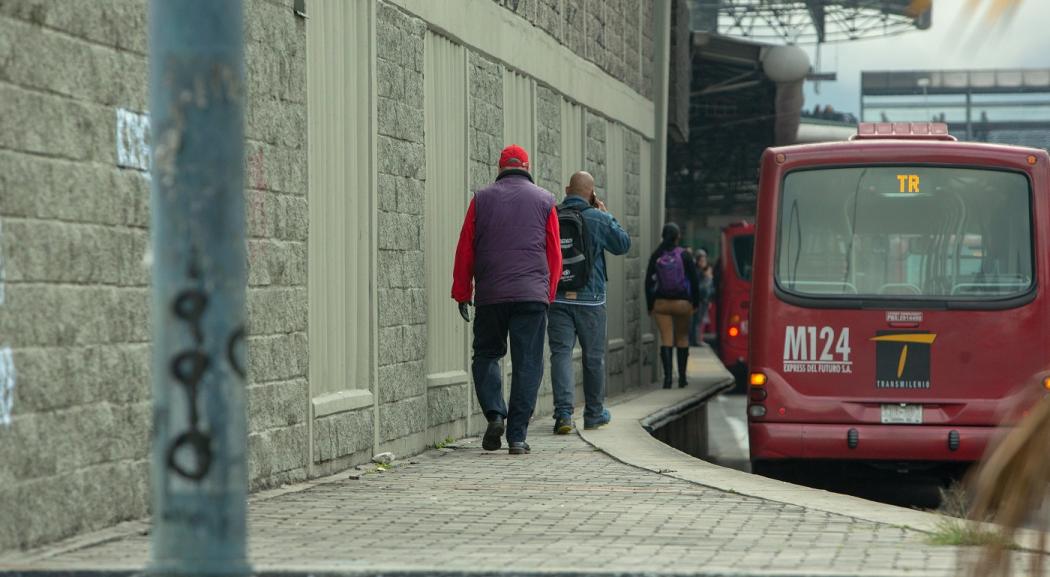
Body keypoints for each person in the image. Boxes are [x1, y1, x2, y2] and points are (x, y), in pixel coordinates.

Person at [452, 144, 562, 455]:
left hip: (491, 295)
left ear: (500, 167)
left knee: (486, 354)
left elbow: (466, 250)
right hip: (532, 296)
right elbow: (554, 253)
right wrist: (548, 294)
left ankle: (494, 414)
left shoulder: (481, 199)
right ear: (527, 166)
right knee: (528, 363)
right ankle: (517, 436)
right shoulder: (545, 200)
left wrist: (462, 291)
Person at [548, 171, 631, 434]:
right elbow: (623, 245)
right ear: (591, 193)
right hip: (591, 300)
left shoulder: (552, 214)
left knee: (561, 354)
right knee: (593, 357)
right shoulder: (598, 217)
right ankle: (594, 414)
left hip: (558, 295)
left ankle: (563, 415)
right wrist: (607, 214)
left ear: (567, 189)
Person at [645, 223, 701, 388]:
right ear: (678, 237)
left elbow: (648, 281)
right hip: (682, 303)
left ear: (663, 236)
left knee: (666, 338)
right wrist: (695, 303)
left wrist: (650, 305)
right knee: (682, 337)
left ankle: (668, 379)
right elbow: (695, 280)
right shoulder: (684, 255)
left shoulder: (657, 254)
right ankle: (682, 379)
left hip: (661, 303)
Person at [689, 249, 714, 346]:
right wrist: (708, 278)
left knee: (699, 321)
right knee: (697, 321)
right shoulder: (698, 272)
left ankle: (697, 339)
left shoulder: (704, 271)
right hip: (698, 299)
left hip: (703, 300)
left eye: (704, 260)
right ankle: (696, 340)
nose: (703, 263)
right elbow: (700, 288)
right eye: (702, 260)